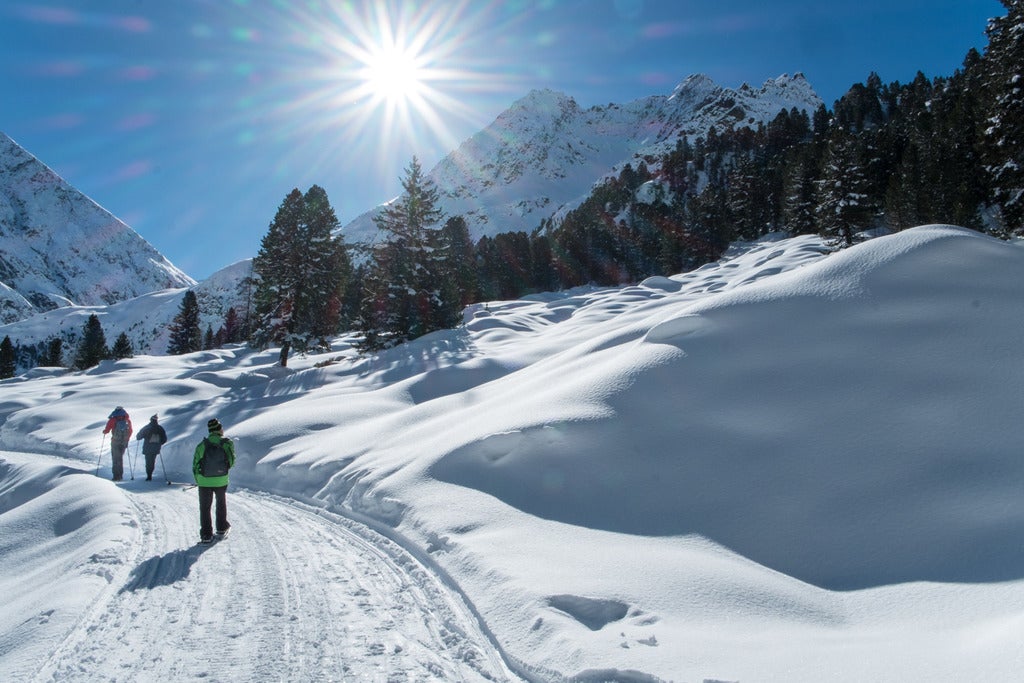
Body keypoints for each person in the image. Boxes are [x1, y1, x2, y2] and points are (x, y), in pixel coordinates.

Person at [192, 418, 236, 544]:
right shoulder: (227, 443)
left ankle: (206, 535)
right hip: (221, 480)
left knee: (205, 507)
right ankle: (221, 528)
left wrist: (198, 479)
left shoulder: (202, 445)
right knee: (221, 503)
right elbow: (231, 461)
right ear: (219, 429)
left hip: (204, 481)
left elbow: (195, 465)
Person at [102, 406, 133, 481]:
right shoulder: (127, 420)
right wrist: (127, 439)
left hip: (115, 442)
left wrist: (104, 431)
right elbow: (130, 431)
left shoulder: (113, 420)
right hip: (124, 442)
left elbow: (107, 430)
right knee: (120, 459)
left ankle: (116, 476)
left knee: (115, 459)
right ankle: (120, 476)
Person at [135, 414, 168, 481]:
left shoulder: (147, 428)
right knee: (152, 461)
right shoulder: (160, 428)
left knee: (148, 461)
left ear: (150, 420)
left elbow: (138, 437)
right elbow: (164, 439)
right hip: (156, 448)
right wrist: (159, 444)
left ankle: (149, 475)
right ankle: (150, 473)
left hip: (147, 447)